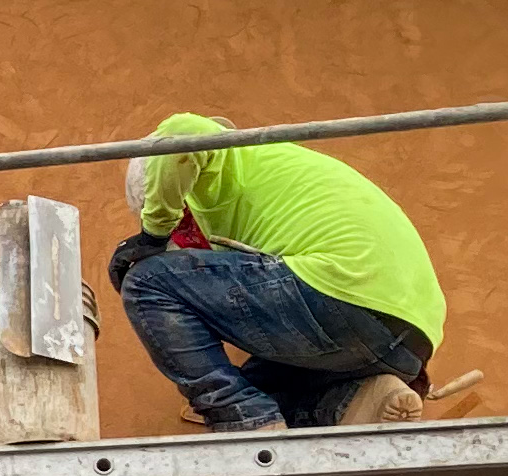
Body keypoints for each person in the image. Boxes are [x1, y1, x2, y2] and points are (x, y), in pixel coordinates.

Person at [108, 111, 445, 431]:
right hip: (405, 340)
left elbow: (184, 131)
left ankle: (244, 420)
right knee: (261, 388)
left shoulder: (229, 156)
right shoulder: (277, 183)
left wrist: (154, 232)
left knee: (147, 280)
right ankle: (357, 402)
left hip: (339, 290)